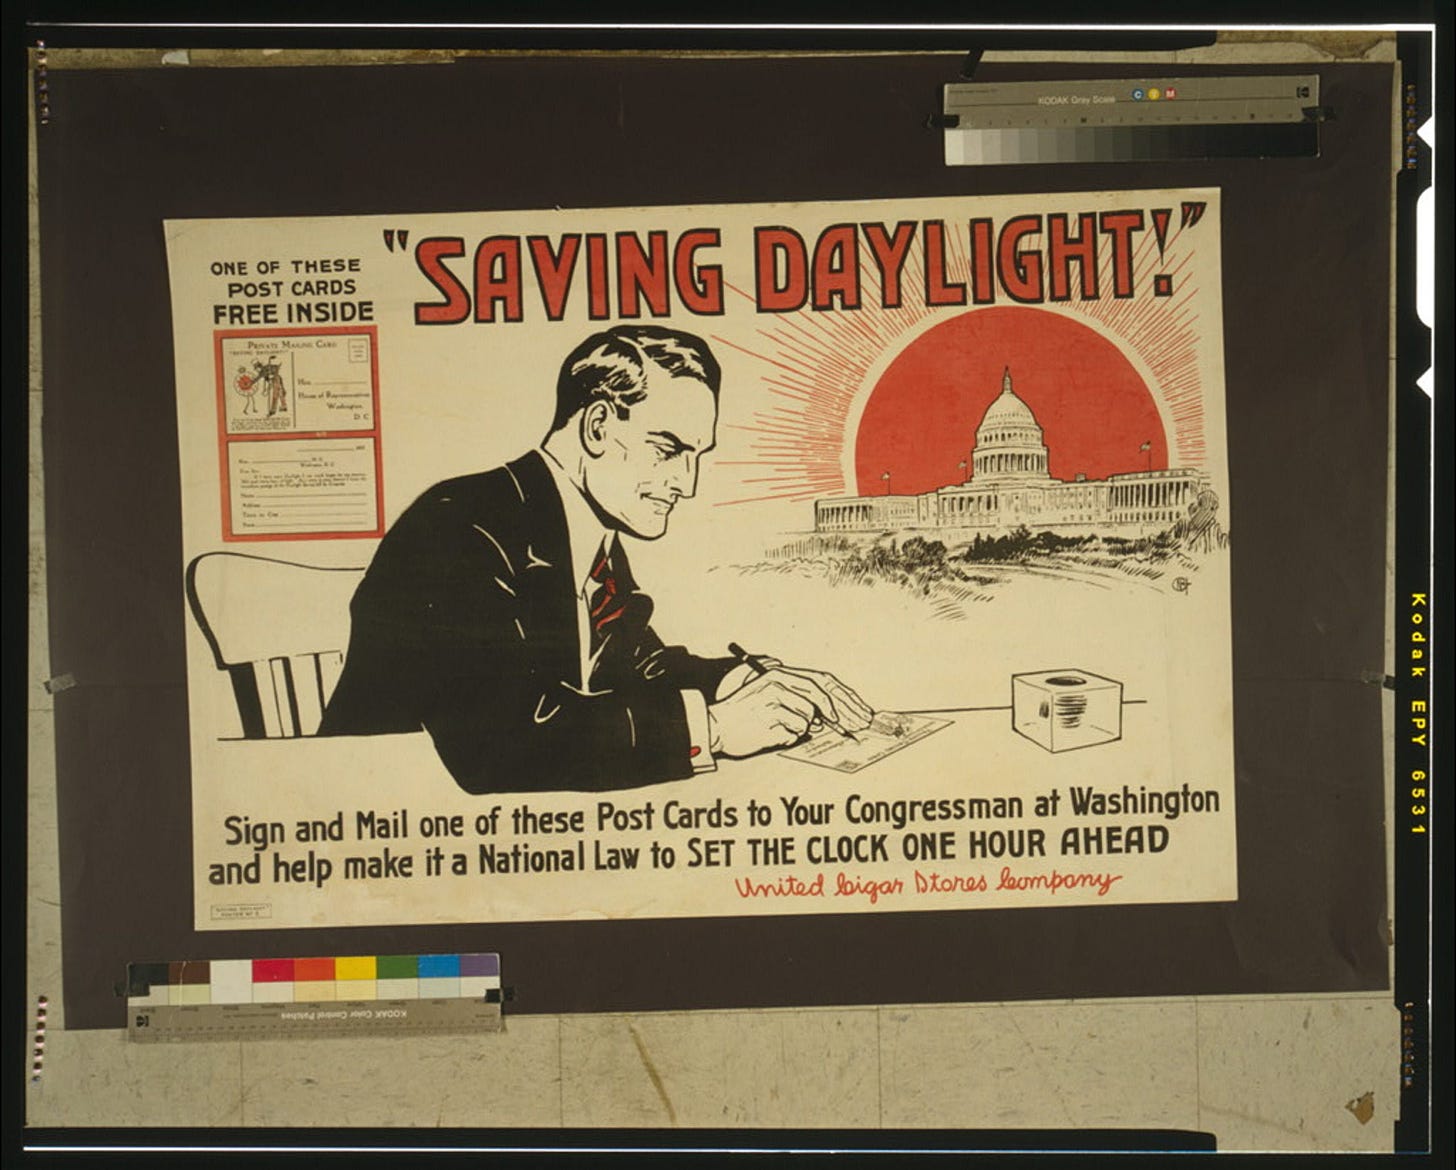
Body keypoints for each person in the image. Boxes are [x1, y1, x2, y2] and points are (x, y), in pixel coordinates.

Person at [320, 325, 872, 794]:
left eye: (697, 456)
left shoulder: (587, 532)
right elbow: (497, 744)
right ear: (599, 426)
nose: (687, 483)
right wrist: (717, 729)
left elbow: (636, 664)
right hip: (386, 815)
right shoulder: (461, 522)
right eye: (669, 450)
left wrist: (738, 680)